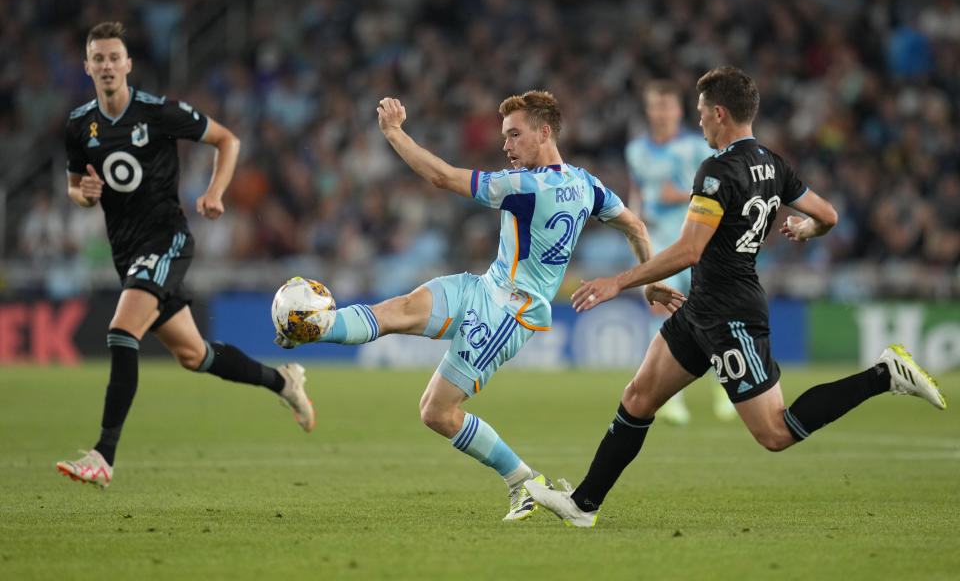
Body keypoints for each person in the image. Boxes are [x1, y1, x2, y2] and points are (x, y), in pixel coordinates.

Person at [525, 66, 947, 527]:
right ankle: (584, 505)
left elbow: (690, 250)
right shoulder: (773, 163)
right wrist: (806, 228)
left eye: (703, 113)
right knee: (639, 396)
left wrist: (617, 282)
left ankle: (884, 374)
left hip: (731, 314)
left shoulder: (718, 170)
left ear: (720, 113)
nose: (700, 122)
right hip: (700, 308)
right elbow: (826, 213)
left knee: (775, 432)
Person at [275, 91, 684, 520]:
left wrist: (393, 132)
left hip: (509, 314)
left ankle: (524, 481)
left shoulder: (525, 187)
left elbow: (442, 177)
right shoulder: (586, 184)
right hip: (482, 287)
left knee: (436, 411)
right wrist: (650, 280)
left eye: (514, 135)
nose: (505, 146)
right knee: (397, 310)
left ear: (544, 133)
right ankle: (311, 326)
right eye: (504, 136)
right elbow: (635, 225)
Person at [56, 21, 316, 489]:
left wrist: (216, 192)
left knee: (120, 330)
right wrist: (85, 195)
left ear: (128, 64)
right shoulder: (79, 125)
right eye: (99, 59)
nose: (108, 66)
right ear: (87, 66)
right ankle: (284, 383)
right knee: (194, 356)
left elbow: (228, 140)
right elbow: (75, 187)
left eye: (116, 58)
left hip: (167, 241)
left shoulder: (157, 113)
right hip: (126, 253)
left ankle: (103, 455)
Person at [625, 79, 735, 425]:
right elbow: (637, 192)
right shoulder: (636, 151)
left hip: (698, 239)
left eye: (668, 105)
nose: (662, 112)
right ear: (649, 110)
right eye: (656, 105)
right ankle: (669, 397)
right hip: (658, 243)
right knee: (664, 311)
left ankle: (726, 389)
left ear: (677, 109)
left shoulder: (696, 147)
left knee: (713, 315)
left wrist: (684, 195)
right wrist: (632, 218)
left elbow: (721, 189)